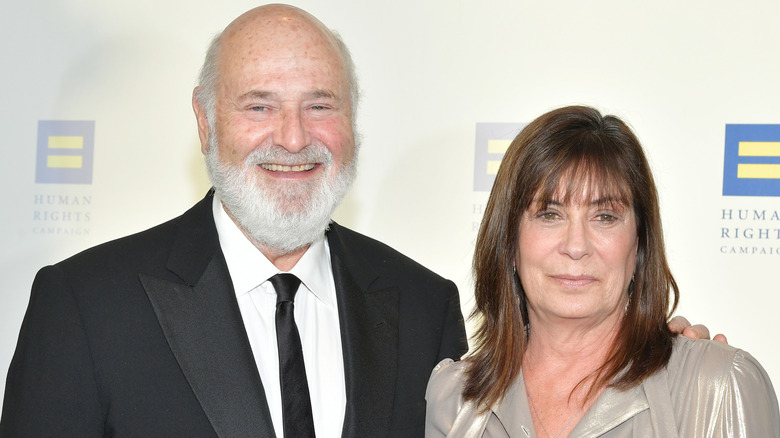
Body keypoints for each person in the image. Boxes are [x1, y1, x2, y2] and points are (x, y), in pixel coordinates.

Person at [0, 6, 713, 438]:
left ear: (352, 122)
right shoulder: (88, 306)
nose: (292, 137)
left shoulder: (420, 307)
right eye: (258, 105)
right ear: (204, 120)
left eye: (320, 104)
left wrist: (658, 351)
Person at [425, 105, 780, 437]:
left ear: (639, 245)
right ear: (509, 240)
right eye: (550, 214)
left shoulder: (717, 388)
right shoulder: (454, 400)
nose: (576, 246)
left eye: (605, 216)